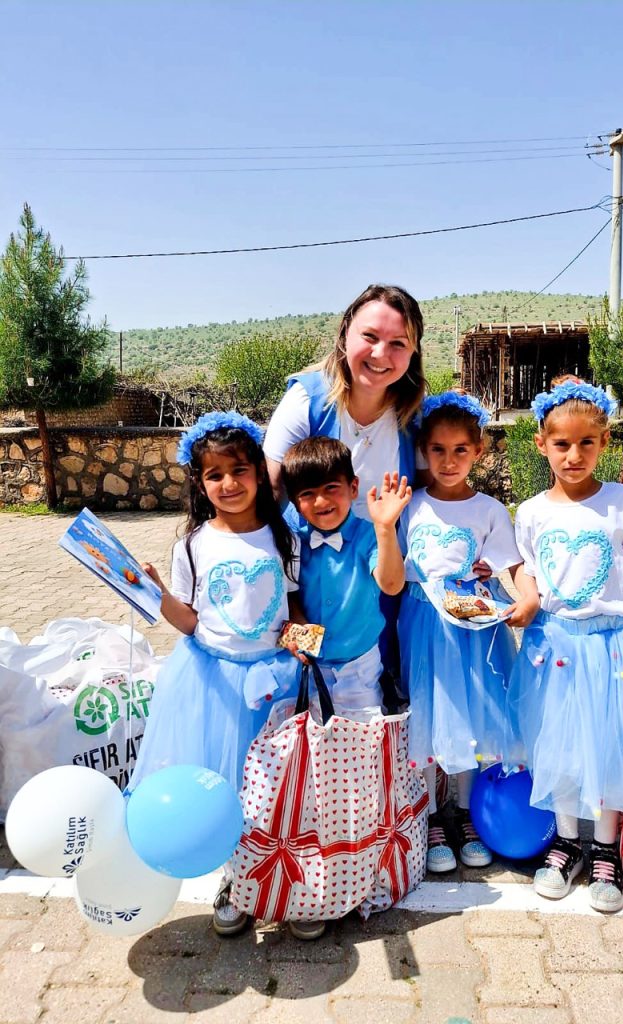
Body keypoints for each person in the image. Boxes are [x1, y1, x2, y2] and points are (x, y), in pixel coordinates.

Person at [508, 377, 623, 913]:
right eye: (562, 444)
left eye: (586, 443)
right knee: (557, 742)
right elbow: (528, 575)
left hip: (612, 648)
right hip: (552, 646)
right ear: (542, 444)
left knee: (608, 744)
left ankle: (605, 848)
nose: (574, 455)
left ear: (604, 442)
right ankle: (565, 841)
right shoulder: (531, 512)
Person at [132, 410, 303, 936]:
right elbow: (189, 619)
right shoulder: (192, 544)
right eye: (214, 475)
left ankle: (278, 881)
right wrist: (158, 595)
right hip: (211, 682)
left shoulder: (283, 537)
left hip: (271, 679)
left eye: (240, 470)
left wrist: (300, 652)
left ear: (258, 472)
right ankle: (233, 879)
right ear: (199, 482)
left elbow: (295, 607)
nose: (229, 484)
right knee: (222, 782)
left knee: (273, 785)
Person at [274, 435, 412, 940]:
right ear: (293, 500)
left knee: (358, 767)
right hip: (307, 668)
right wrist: (298, 633)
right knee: (307, 768)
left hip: (359, 668)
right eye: (306, 495)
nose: (320, 503)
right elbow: (287, 598)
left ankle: (359, 867)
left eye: (331, 489)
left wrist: (385, 528)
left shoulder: (366, 533)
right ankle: (309, 869)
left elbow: (392, 585)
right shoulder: (288, 536)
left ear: (353, 487)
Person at [397, 392, 540, 873]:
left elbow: (513, 565)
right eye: (438, 449)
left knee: (473, 721)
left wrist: (526, 597)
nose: (449, 460)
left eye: (461, 449)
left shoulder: (490, 511)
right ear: (422, 450)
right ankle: (435, 819)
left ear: (479, 451)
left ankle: (470, 816)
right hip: (423, 629)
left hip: (475, 631)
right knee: (431, 718)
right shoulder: (409, 506)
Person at [264, 283, 425, 522]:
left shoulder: (414, 415)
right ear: (345, 333)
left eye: (398, 343)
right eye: (370, 336)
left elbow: (431, 498)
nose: (380, 354)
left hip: (390, 557)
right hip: (311, 556)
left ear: (413, 352)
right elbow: (272, 494)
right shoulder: (306, 401)